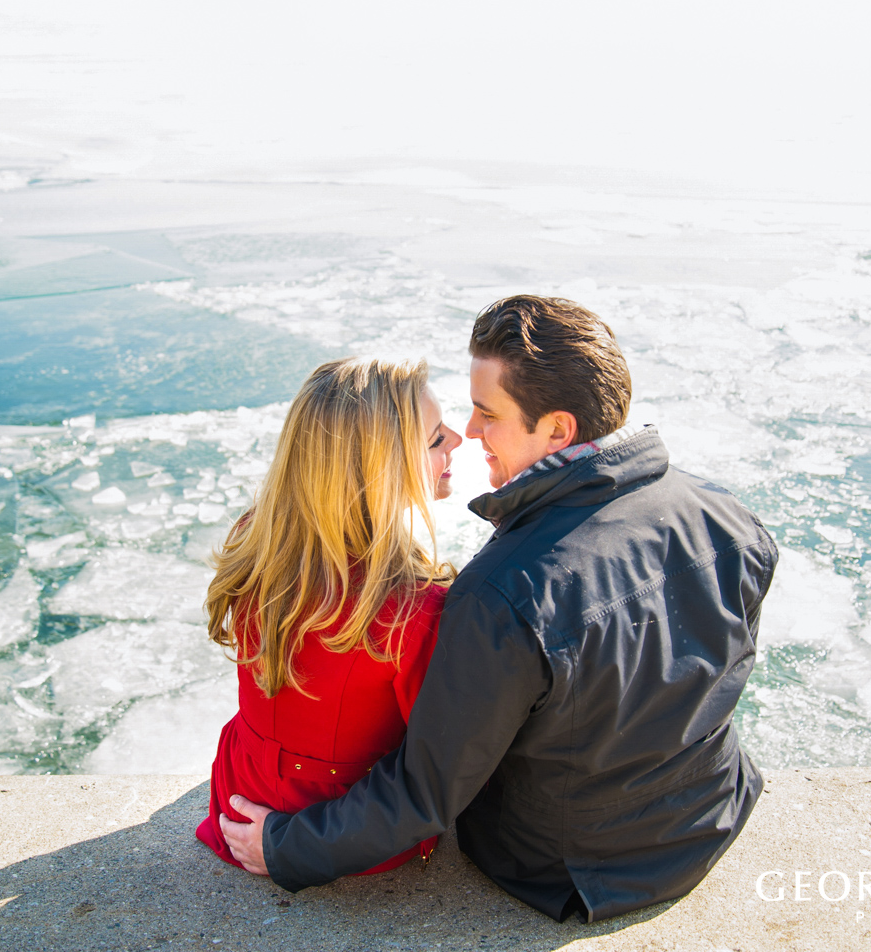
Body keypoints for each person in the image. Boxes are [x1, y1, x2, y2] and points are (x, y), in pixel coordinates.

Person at [220, 295, 778, 922]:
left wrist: (288, 846)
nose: (471, 432)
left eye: (487, 413)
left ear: (558, 429)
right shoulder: (730, 518)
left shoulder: (505, 590)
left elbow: (427, 791)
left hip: (573, 869)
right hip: (711, 815)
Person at [195, 356, 463, 874]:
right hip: (338, 827)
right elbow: (433, 768)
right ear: (382, 468)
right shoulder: (414, 609)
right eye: (434, 439)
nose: (457, 439)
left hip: (239, 790)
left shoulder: (257, 536)